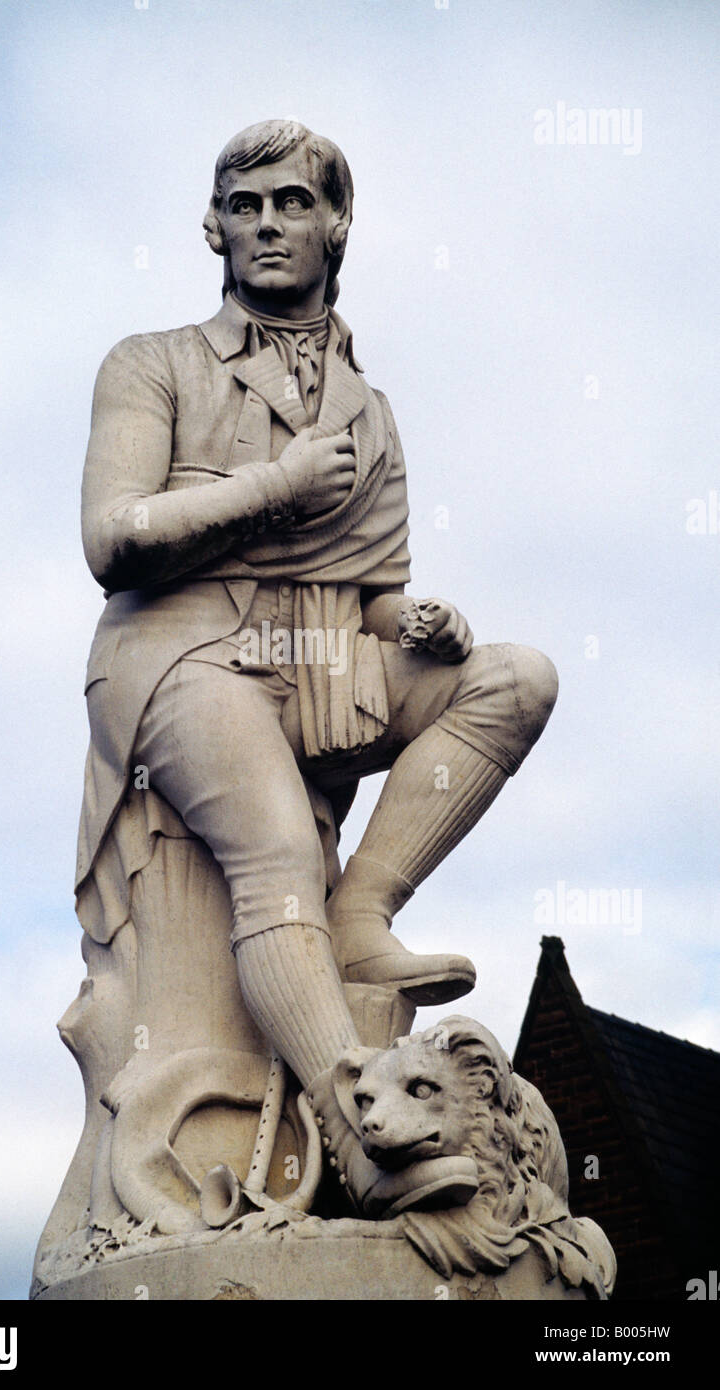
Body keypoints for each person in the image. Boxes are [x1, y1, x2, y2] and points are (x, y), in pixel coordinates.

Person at [75, 120, 558, 1213]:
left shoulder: (369, 411)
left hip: (326, 661)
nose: (266, 226)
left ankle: (362, 914)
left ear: (336, 224)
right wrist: (273, 486)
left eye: (291, 202)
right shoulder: (150, 362)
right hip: (180, 648)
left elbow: (376, 580)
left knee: (514, 676)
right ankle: (357, 1128)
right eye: (242, 207)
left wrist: (420, 624)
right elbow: (111, 539)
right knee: (279, 848)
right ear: (213, 228)